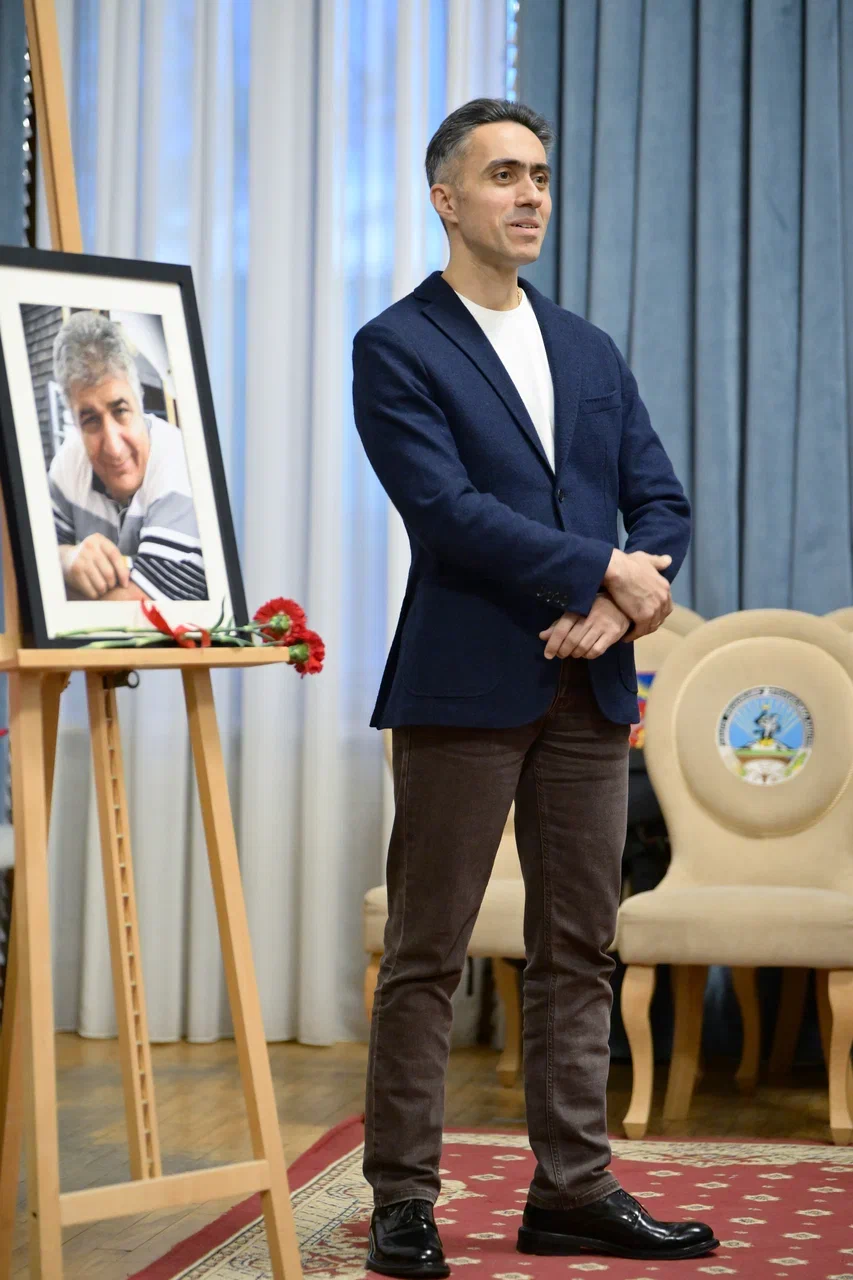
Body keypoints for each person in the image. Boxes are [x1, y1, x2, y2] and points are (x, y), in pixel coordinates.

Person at [352, 98, 718, 1277]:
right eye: (503, 174)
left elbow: (660, 501)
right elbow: (446, 512)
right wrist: (599, 565)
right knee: (428, 951)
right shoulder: (397, 345)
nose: (529, 196)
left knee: (580, 946)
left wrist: (618, 602)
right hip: (462, 683)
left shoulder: (587, 348)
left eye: (541, 176)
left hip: (589, 687)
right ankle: (403, 1197)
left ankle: (573, 1187)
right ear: (445, 198)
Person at [48, 310, 207, 602]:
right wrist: (66, 559)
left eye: (120, 411)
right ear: (75, 423)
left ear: (140, 401)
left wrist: (56, 580)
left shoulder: (182, 466)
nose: (113, 447)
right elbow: (29, 560)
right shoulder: (68, 463)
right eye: (90, 420)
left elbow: (142, 611)